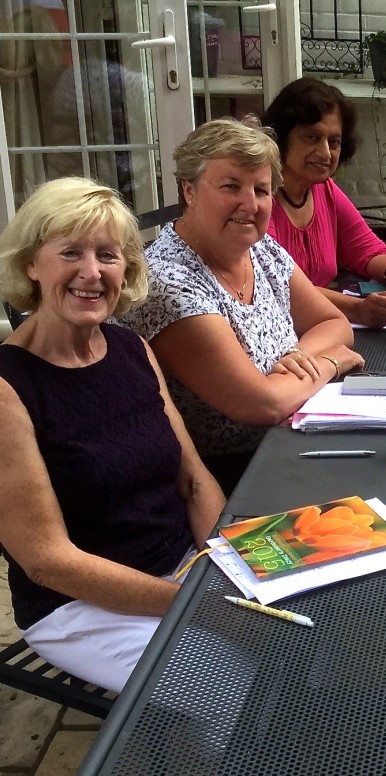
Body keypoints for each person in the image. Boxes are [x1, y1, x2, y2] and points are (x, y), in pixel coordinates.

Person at [0, 177, 225, 692]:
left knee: (301, 639)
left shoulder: (131, 348)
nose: (92, 272)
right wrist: (197, 603)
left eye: (107, 255)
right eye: (70, 253)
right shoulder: (8, 387)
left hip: (182, 567)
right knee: (228, 687)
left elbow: (193, 480)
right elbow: (48, 563)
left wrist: (224, 564)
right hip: (81, 606)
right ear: (31, 264)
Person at [123, 117, 364, 493]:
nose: (250, 204)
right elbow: (261, 404)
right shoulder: (167, 282)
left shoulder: (258, 248)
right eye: (231, 186)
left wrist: (298, 357)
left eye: (261, 190)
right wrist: (331, 362)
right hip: (223, 477)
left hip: (287, 441)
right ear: (189, 190)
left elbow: (334, 323)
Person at [262, 78, 386, 328]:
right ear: (281, 138)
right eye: (312, 137)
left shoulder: (324, 190)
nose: (326, 153)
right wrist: (356, 309)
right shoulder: (259, 199)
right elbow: (277, 286)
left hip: (323, 327)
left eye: (334, 141)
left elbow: (365, 248)